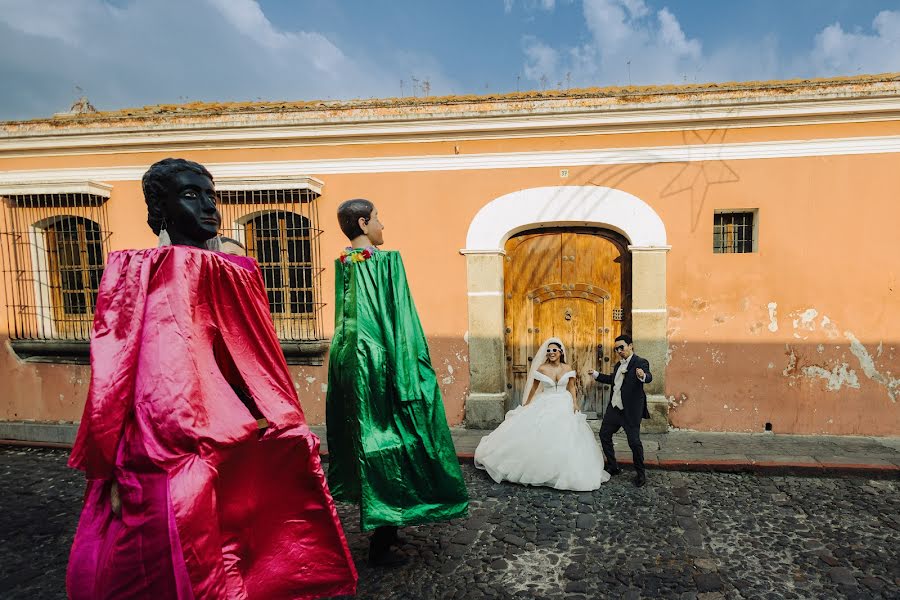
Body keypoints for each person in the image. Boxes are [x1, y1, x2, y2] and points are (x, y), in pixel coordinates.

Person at [66, 158, 357, 599]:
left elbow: (251, 353)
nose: (208, 206)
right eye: (190, 194)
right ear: (161, 206)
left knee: (244, 539)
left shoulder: (237, 272)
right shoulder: (141, 272)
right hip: (165, 444)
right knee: (179, 553)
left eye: (210, 195)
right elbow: (117, 368)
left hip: (239, 434)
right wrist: (107, 465)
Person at [326, 198, 469, 567]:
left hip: (353, 366)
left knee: (373, 442)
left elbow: (348, 326)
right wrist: (413, 374)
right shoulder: (387, 262)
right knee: (401, 439)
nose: (383, 225)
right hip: (387, 364)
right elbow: (401, 319)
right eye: (378, 218)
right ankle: (383, 535)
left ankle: (385, 524)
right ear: (363, 222)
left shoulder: (344, 264)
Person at [473, 337, 611, 491]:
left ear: (560, 352)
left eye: (554, 350)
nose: (551, 353)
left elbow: (571, 387)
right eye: (549, 350)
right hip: (546, 401)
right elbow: (534, 388)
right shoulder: (542, 369)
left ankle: (561, 468)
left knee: (567, 435)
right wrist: (527, 404)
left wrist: (575, 403)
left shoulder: (567, 368)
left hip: (564, 403)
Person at [588, 334, 653, 487]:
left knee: (634, 442)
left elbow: (648, 376)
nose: (619, 351)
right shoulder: (618, 365)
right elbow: (613, 380)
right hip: (614, 408)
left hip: (630, 411)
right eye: (616, 348)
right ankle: (613, 466)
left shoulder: (640, 362)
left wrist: (643, 375)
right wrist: (596, 375)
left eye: (621, 347)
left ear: (630, 346)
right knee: (604, 434)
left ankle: (640, 473)